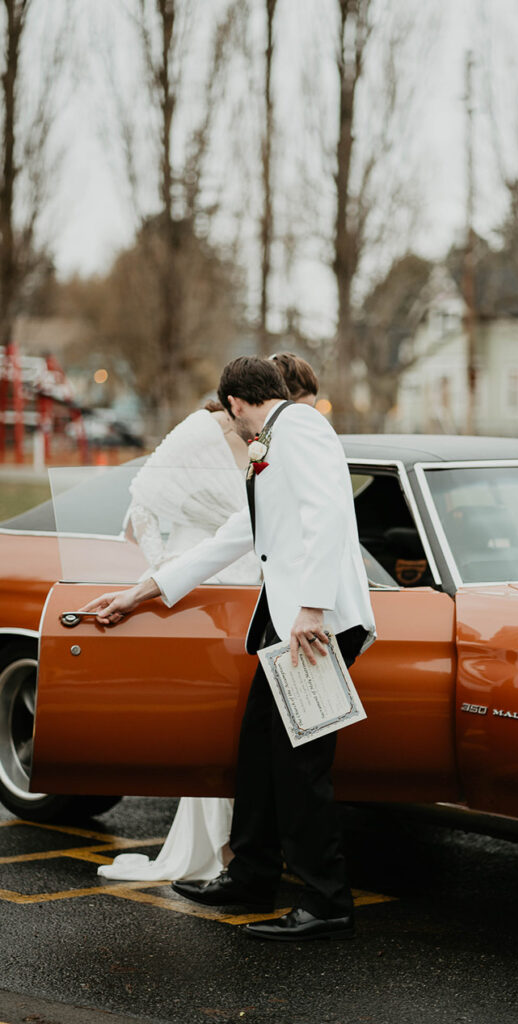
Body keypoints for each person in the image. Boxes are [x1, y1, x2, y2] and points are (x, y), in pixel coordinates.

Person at [81, 355, 375, 941]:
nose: (232, 427)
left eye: (230, 414)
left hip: (316, 625)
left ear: (238, 402)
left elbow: (329, 516)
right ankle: (251, 875)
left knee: (300, 767)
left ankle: (326, 900)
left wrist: (313, 607)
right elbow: (236, 536)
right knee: (260, 753)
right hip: (287, 621)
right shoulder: (275, 440)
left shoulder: (303, 427)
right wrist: (144, 592)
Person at [98, 355, 320, 885]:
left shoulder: (279, 441)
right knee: (224, 720)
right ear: (259, 401)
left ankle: (253, 849)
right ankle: (233, 853)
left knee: (253, 728)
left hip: (261, 581)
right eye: (297, 410)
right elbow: (140, 510)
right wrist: (162, 575)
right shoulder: (203, 432)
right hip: (208, 580)